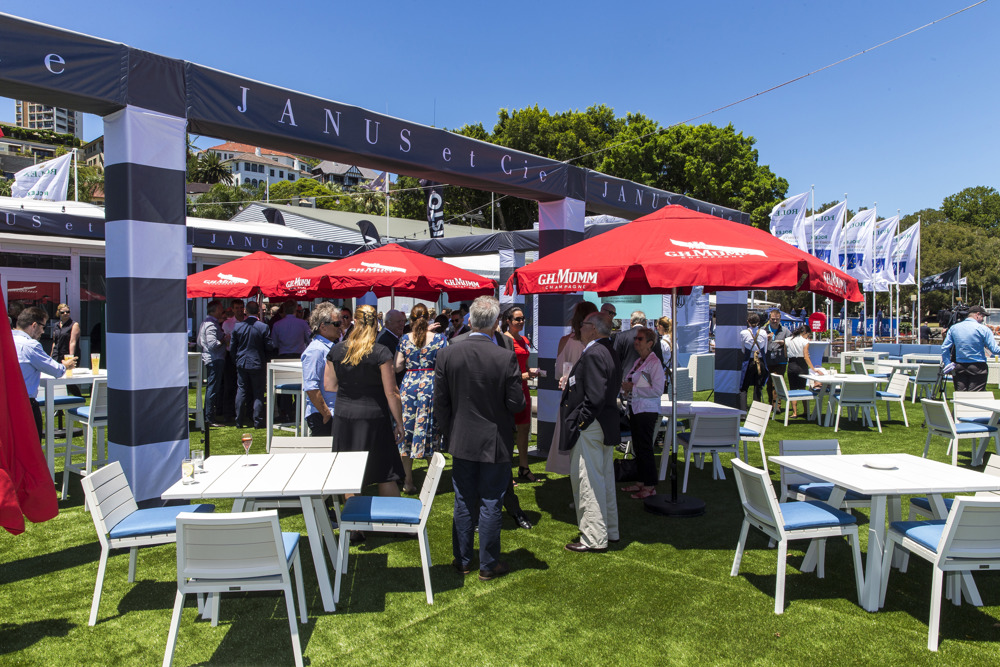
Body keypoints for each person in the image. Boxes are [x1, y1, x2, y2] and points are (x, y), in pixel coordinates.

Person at [434, 296, 524, 580]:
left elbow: (440, 403)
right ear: (497, 324)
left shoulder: (448, 353)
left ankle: (463, 560)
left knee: (464, 500)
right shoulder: (504, 356)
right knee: (490, 501)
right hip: (493, 439)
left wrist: (449, 434)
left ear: (471, 321)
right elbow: (516, 403)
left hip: (462, 438)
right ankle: (487, 563)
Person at [325, 304, 405, 503]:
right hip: (374, 416)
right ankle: (394, 522)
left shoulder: (336, 350)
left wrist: (352, 389)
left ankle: (354, 529)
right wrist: (400, 423)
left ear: (353, 321)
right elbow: (392, 392)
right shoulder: (380, 352)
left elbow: (329, 385)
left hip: (345, 416)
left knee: (349, 473)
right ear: (376, 323)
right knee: (385, 471)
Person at [561, 311, 620, 553]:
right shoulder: (607, 349)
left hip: (593, 425)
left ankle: (593, 538)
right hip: (603, 423)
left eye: (583, 324)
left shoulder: (595, 352)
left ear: (593, 329)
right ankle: (609, 530)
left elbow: (595, 397)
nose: (579, 328)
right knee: (603, 479)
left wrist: (581, 422)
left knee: (588, 481)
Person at [395, 304, 447, 494]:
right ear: (429, 319)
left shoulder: (404, 339)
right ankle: (431, 482)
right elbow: (444, 365)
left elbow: (398, 366)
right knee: (431, 431)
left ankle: (408, 481)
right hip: (431, 386)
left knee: (406, 432)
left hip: (409, 386)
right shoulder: (440, 339)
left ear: (411, 320)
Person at [546, 301, 598, 475]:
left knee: (569, 434)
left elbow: (558, 372)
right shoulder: (597, 343)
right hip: (591, 396)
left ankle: (572, 471)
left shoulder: (566, 341)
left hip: (570, 397)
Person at [13, 307, 75, 438]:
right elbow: (56, 371)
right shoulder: (30, 345)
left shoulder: (6, 340)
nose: (43, 331)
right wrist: (66, 365)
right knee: (31, 448)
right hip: (25, 405)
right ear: (34, 325)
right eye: (43, 327)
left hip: (7, 403)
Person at [619, 327, 665, 500]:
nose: (636, 341)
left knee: (645, 447)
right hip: (636, 409)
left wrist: (633, 388)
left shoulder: (654, 363)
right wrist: (626, 390)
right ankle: (641, 481)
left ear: (650, 343)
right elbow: (640, 384)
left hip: (647, 411)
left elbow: (657, 390)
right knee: (638, 447)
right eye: (635, 339)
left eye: (640, 339)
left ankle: (650, 485)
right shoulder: (640, 361)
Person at [501, 305, 538, 482]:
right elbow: (503, 371)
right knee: (508, 431)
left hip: (523, 388)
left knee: (524, 429)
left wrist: (531, 371)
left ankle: (523, 467)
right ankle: (506, 471)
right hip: (510, 389)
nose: (521, 321)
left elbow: (525, 363)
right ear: (508, 321)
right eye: (517, 319)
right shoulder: (503, 340)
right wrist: (524, 374)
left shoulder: (523, 339)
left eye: (523, 318)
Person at [231, 301, 275, 429]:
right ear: (258, 312)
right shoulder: (263, 327)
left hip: (242, 362)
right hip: (257, 362)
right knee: (258, 392)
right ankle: (257, 421)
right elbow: (269, 346)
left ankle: (238, 420)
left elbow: (233, 348)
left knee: (242, 390)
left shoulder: (238, 327)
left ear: (246, 311)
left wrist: (236, 359)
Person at [301, 303, 340, 437]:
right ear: (323, 326)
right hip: (322, 415)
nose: (340, 327)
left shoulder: (328, 347)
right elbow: (311, 387)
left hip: (332, 413)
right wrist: (326, 413)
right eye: (336, 323)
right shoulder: (316, 350)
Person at [941, 305, 1000, 391]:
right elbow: (994, 349)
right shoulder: (983, 329)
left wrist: (948, 363)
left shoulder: (954, 328)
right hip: (978, 366)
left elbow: (944, 347)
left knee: (961, 396)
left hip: (959, 366)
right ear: (977, 314)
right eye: (982, 316)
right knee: (974, 397)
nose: (983, 319)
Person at [197, 299, 228, 426]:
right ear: (214, 310)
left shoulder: (207, 323)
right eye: (220, 308)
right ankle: (209, 417)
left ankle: (209, 415)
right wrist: (224, 340)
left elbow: (200, 342)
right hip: (214, 358)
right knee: (213, 388)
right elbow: (212, 344)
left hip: (212, 358)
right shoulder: (210, 324)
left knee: (213, 387)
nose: (222, 311)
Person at [613, 310, 663, 385]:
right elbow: (659, 359)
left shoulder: (621, 336)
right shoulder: (653, 337)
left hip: (627, 378)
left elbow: (615, 359)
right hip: (647, 377)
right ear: (645, 322)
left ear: (631, 322)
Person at [785, 325, 817, 418]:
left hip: (791, 364)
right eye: (808, 335)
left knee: (793, 388)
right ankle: (806, 410)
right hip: (801, 365)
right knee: (802, 388)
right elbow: (806, 356)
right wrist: (813, 368)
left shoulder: (787, 340)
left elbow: (785, 353)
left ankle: (794, 412)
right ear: (805, 333)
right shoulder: (805, 341)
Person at [50, 303, 81, 396]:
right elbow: (54, 342)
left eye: (68, 312)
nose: (65, 314)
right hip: (57, 354)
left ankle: (79, 398)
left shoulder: (74, 325)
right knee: (57, 381)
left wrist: (71, 357)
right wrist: (51, 356)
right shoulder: (56, 325)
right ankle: (59, 409)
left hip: (67, 355)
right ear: (58, 313)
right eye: (63, 312)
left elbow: (73, 341)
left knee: (68, 381)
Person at [739, 312, 769, 409]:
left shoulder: (743, 333)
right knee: (758, 386)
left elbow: (743, 349)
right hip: (760, 361)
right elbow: (765, 350)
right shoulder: (764, 333)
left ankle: (743, 411)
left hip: (749, 361)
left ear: (748, 322)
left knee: (744, 387)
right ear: (758, 322)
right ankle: (756, 410)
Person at [764, 309, 791, 413]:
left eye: (777, 319)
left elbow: (791, 341)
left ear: (780, 319)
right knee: (769, 383)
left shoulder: (785, 331)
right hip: (768, 360)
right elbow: (758, 343)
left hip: (780, 360)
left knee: (777, 383)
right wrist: (766, 339)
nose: (775, 321)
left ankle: (777, 405)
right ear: (769, 319)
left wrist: (784, 343)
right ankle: (771, 403)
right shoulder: (764, 330)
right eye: (773, 319)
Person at [378, 308, 406, 385]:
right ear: (388, 323)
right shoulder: (384, 340)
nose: (402, 324)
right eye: (398, 322)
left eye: (403, 321)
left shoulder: (394, 337)